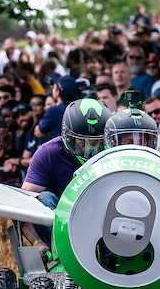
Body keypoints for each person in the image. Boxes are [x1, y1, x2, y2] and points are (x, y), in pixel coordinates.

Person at [20, 99, 111, 253]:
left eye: (95, 142)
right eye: (81, 142)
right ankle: (59, 255)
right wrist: (38, 243)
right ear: (67, 136)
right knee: (44, 198)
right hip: (61, 220)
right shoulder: (47, 153)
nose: (87, 148)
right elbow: (22, 206)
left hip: (100, 217)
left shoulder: (112, 154)